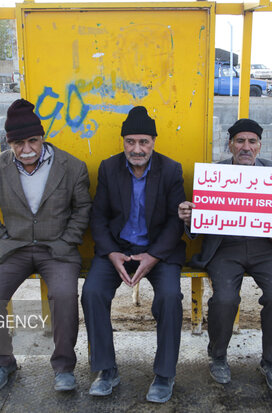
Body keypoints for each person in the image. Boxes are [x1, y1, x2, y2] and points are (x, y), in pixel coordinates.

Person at [177, 118, 272, 393]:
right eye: (240, 141)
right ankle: (218, 356)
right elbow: (199, 224)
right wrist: (188, 218)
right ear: (230, 145)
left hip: (266, 250)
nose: (245, 147)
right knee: (224, 298)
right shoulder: (213, 175)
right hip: (225, 249)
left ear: (259, 146)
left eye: (251, 141)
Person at [0, 99, 91, 392]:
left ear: (42, 138)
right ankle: (3, 363)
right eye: (18, 143)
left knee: (64, 295)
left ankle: (64, 367)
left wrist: (68, 239)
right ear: (9, 143)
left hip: (58, 251)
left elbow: (83, 209)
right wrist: (2, 237)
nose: (26, 149)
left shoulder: (72, 166)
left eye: (32, 141)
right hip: (14, 249)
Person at [81, 106, 185, 403]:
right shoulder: (109, 168)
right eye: (130, 142)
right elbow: (98, 217)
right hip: (118, 249)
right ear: (123, 141)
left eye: (144, 142)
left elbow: (175, 220)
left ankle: (165, 374)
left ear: (153, 142)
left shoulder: (170, 169)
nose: (137, 149)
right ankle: (106, 369)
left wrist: (153, 256)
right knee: (92, 293)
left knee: (169, 297)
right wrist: (111, 253)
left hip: (158, 252)